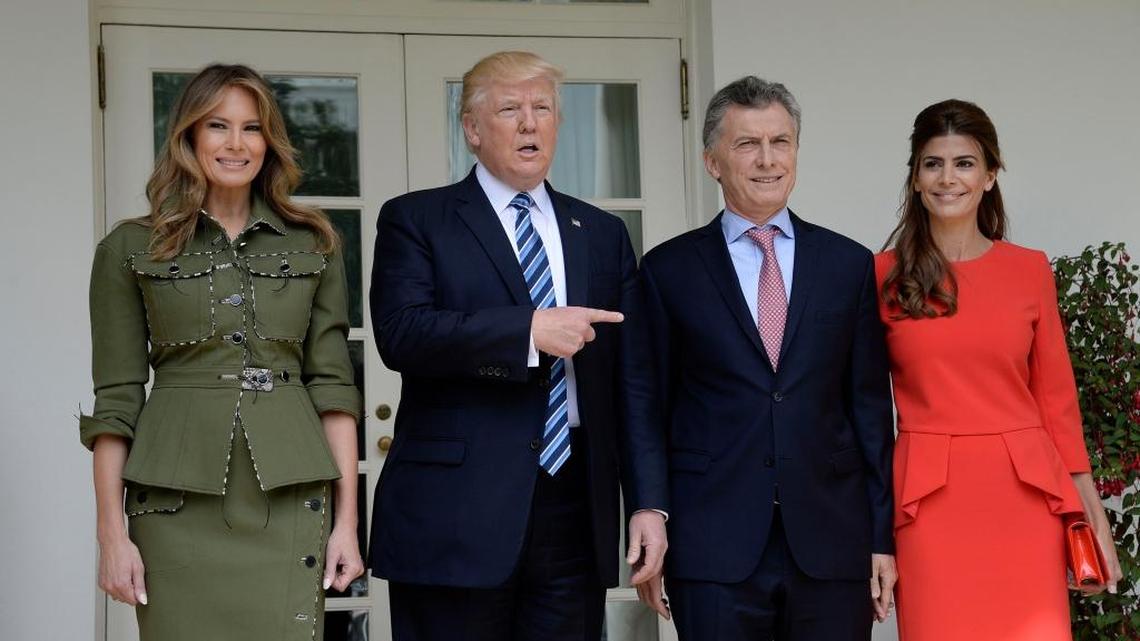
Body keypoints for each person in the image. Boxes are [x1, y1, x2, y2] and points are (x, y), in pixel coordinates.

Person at [367, 50, 668, 641]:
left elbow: (632, 384)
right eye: (510, 109)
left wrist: (649, 504)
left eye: (543, 108)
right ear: (473, 129)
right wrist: (526, 332)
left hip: (574, 507)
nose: (530, 123)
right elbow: (402, 334)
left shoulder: (602, 234)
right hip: (455, 512)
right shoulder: (416, 220)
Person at [81, 64, 364, 641]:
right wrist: (112, 537)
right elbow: (115, 402)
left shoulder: (315, 242)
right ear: (188, 136)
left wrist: (347, 524)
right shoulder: (129, 248)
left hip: (288, 497)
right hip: (172, 507)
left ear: (270, 142)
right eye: (218, 126)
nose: (236, 144)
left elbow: (333, 389)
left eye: (252, 128)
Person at [636, 76, 896, 641]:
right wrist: (650, 514)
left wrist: (882, 536)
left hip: (831, 541)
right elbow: (645, 407)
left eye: (780, 142)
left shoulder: (848, 265)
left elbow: (871, 410)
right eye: (746, 144)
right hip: (711, 543)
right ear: (713, 162)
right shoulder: (667, 270)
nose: (767, 160)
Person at [875, 99, 1123, 641]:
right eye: (932, 163)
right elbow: (863, 408)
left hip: (1024, 499)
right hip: (929, 507)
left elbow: (1057, 403)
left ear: (990, 175)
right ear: (915, 178)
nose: (948, 178)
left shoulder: (1028, 270)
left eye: (964, 163)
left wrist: (1092, 517)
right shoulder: (882, 276)